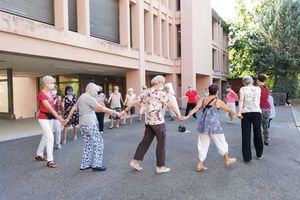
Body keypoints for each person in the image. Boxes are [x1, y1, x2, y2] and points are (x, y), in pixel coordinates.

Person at [122, 75, 184, 174]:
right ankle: (160, 166)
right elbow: (170, 105)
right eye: (163, 83)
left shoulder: (145, 92)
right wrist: (179, 114)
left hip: (148, 122)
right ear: (159, 83)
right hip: (158, 122)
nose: (163, 85)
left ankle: (135, 161)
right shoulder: (160, 93)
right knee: (161, 143)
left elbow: (134, 101)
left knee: (145, 142)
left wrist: (125, 110)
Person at [183, 84, 241, 171]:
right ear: (217, 91)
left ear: (209, 91)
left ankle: (200, 164)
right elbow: (228, 109)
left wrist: (187, 116)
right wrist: (237, 114)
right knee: (222, 142)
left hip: (203, 125)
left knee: (202, 144)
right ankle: (226, 159)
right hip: (214, 126)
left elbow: (195, 108)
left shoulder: (203, 99)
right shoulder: (218, 101)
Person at [65, 83, 121, 171]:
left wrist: (67, 119)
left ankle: (85, 164)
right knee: (99, 142)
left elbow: (74, 107)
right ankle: (96, 164)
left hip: (83, 124)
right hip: (89, 123)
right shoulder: (88, 97)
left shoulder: (81, 96)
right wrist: (114, 112)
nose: (96, 93)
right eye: (95, 91)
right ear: (90, 89)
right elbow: (100, 108)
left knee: (88, 143)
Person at [35, 76, 65, 168]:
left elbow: (55, 104)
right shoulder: (41, 94)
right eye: (51, 83)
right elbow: (50, 108)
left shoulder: (50, 93)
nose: (53, 85)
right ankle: (50, 160)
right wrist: (60, 119)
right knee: (50, 137)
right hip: (43, 117)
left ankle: (39, 154)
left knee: (45, 136)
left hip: (50, 117)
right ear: (46, 83)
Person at [237, 76, 264, 164]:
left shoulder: (243, 89)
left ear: (243, 82)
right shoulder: (258, 89)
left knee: (246, 134)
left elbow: (241, 101)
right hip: (257, 112)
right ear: (252, 81)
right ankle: (259, 154)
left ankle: (247, 158)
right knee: (258, 133)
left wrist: (239, 112)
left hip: (246, 112)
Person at [257, 74, 271, 146]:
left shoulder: (257, 88)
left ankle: (259, 141)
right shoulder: (267, 88)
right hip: (267, 108)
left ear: (258, 80)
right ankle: (266, 140)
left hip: (259, 108)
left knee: (258, 125)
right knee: (265, 125)